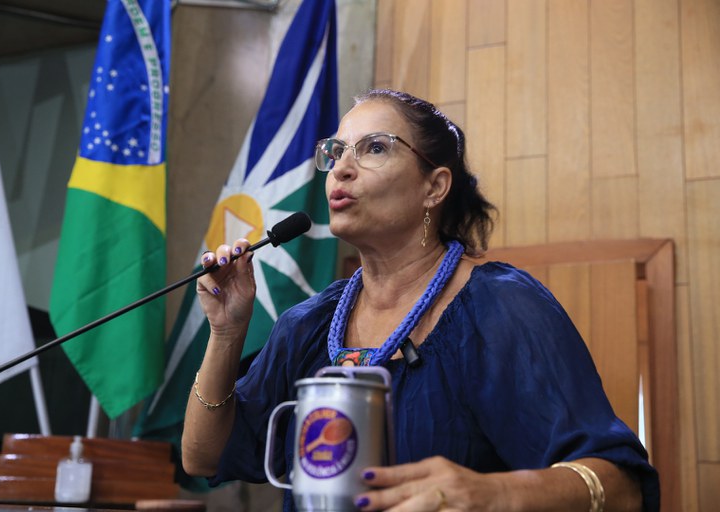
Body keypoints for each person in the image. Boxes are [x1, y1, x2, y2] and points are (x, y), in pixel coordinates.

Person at [181, 89, 659, 511]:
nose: (341, 168)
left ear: (434, 187)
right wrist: (226, 331)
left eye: (374, 148)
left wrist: (493, 494)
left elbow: (623, 488)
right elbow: (203, 457)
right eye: (336, 151)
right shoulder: (307, 324)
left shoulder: (500, 307)